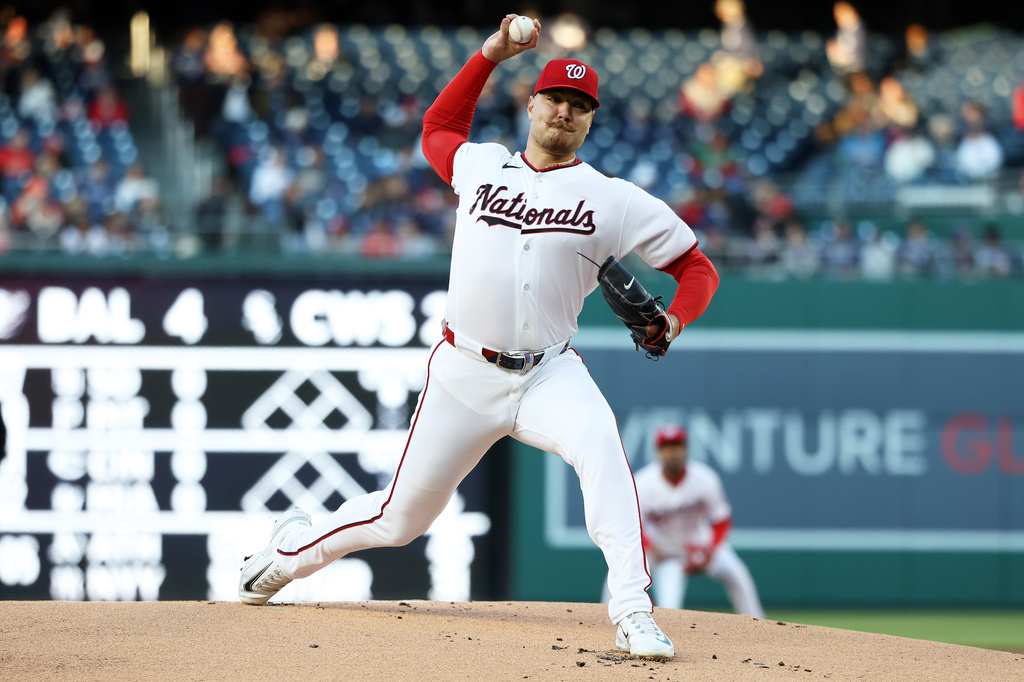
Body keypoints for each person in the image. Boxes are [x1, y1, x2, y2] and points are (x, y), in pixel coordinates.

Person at [237, 14, 720, 662]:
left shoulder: (614, 199)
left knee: (604, 451)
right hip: (464, 371)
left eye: (580, 106)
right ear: (532, 104)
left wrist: (676, 320)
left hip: (549, 372)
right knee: (399, 520)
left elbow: (697, 267)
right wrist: (490, 54)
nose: (566, 112)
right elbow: (437, 128)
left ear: (590, 120)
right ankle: (291, 550)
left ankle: (633, 611)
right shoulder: (481, 165)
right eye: (556, 99)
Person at [619, 424, 764, 618]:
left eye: (676, 447)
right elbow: (631, 523)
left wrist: (710, 549)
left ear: (685, 449)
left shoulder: (705, 478)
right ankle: (606, 620)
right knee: (632, 576)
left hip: (699, 540)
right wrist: (651, 546)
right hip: (661, 546)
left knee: (737, 573)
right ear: (659, 452)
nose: (672, 453)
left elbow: (721, 520)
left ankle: (759, 623)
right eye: (667, 448)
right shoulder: (643, 482)